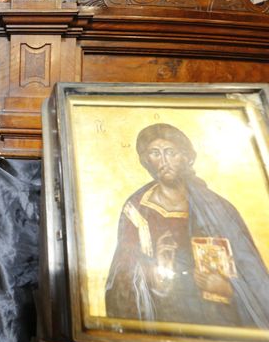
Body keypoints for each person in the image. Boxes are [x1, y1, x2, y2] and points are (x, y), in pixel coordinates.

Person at [105, 123, 269, 328]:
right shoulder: (136, 210)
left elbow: (253, 274)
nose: (164, 161)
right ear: (146, 161)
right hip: (169, 320)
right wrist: (158, 273)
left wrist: (228, 289)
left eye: (170, 152)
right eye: (155, 153)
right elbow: (123, 280)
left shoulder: (216, 208)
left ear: (185, 156)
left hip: (222, 321)